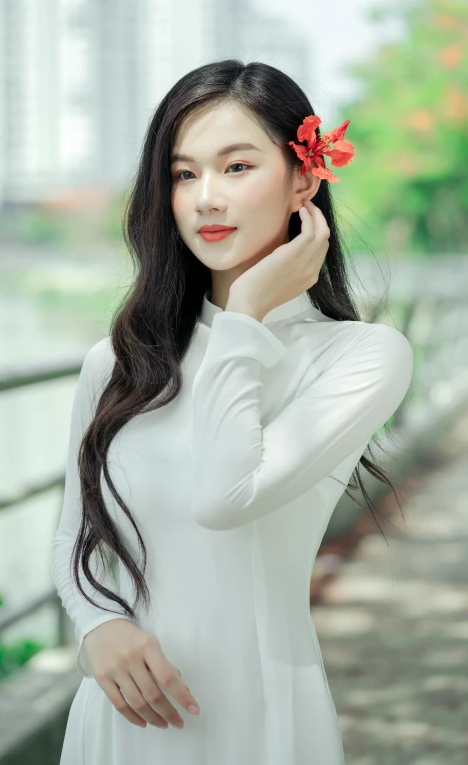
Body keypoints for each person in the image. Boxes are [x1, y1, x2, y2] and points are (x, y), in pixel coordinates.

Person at [52, 59, 414, 764]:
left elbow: (225, 494)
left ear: (304, 179)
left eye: (237, 166)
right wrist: (96, 623)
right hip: (124, 715)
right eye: (184, 174)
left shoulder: (363, 357)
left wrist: (245, 312)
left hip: (262, 713)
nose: (206, 198)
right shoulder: (119, 364)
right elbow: (75, 532)